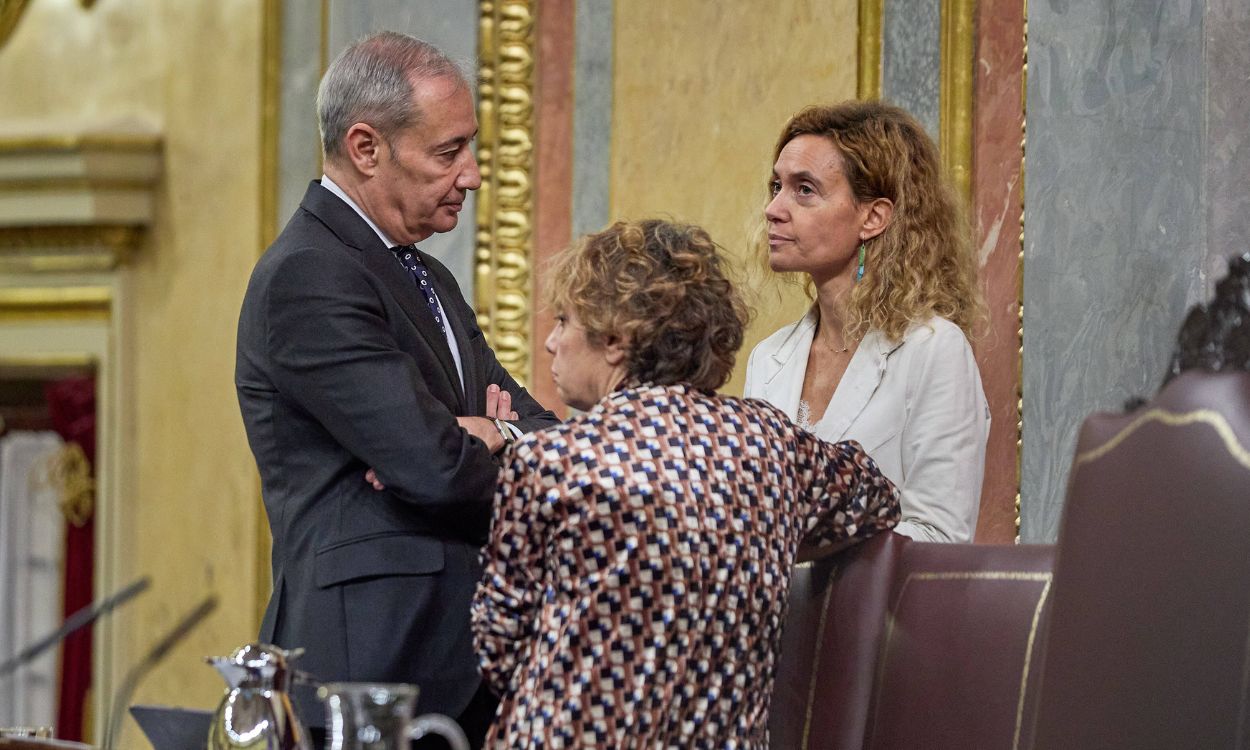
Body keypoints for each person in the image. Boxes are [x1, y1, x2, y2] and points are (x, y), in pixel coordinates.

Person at [234, 32, 557, 745]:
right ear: (365, 148)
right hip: (370, 663)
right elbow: (436, 467)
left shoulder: (426, 276)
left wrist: (497, 432)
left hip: (468, 667)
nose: (472, 175)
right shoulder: (307, 276)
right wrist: (464, 438)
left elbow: (545, 434)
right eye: (449, 153)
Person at [470, 219, 900, 748]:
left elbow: (498, 644)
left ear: (615, 340)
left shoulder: (550, 460)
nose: (552, 342)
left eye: (565, 320)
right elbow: (876, 500)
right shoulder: (772, 445)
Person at [743, 101, 989, 543]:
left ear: (872, 217)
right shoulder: (768, 357)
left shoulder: (934, 349)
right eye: (776, 186)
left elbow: (940, 535)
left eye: (804, 190)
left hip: (884, 611)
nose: (773, 208)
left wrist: (807, 538)